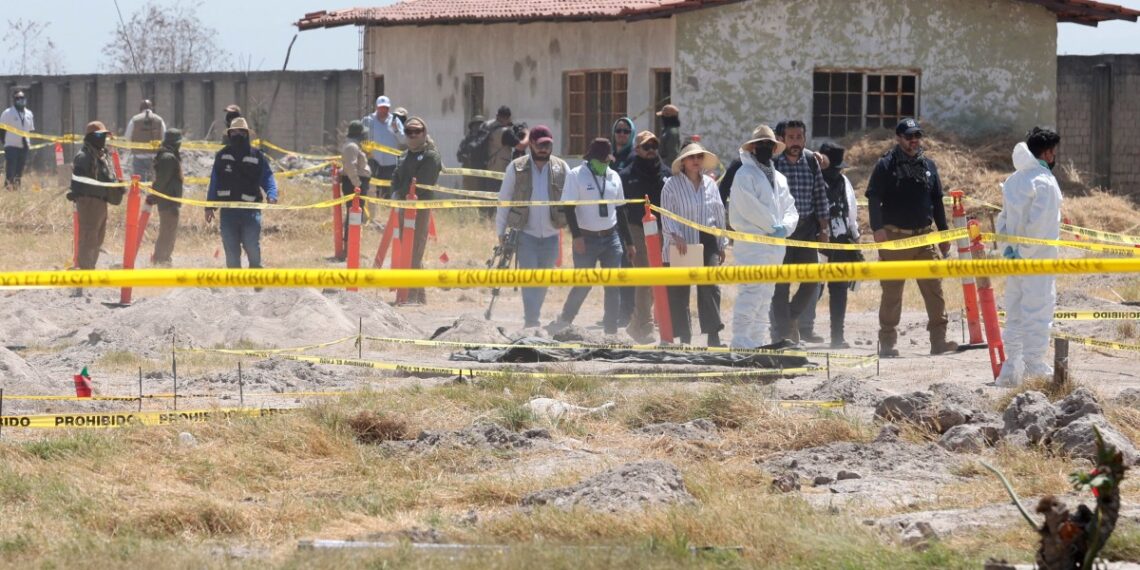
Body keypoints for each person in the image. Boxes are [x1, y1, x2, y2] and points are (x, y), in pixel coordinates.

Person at [866, 118, 957, 357]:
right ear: (899, 138)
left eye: (917, 136)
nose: (913, 141)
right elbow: (873, 198)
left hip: (924, 238)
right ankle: (887, 344)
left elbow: (937, 201)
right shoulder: (886, 165)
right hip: (895, 237)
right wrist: (877, 228)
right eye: (908, 136)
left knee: (934, 290)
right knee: (892, 292)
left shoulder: (928, 165)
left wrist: (944, 232)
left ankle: (939, 341)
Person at [995, 128, 1063, 387]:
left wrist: (1009, 251)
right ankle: (1034, 368)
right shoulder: (1044, 182)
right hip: (1038, 261)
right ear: (1046, 152)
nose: (1054, 156)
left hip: (1014, 261)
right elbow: (1041, 228)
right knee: (1037, 310)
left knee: (1014, 312)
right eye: (1053, 151)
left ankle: (1011, 368)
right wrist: (1025, 253)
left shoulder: (1015, 179)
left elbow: (1003, 221)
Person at [550, 138, 634, 335]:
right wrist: (577, 237)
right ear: (591, 159)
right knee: (584, 283)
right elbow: (569, 209)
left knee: (612, 285)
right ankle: (565, 319)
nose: (605, 164)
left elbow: (621, 211)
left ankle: (611, 330)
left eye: (607, 160)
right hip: (586, 238)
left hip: (611, 238)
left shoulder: (614, 176)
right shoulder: (576, 175)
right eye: (602, 160)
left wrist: (629, 242)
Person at [730, 125, 798, 349]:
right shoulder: (744, 175)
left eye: (769, 144)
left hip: (776, 246)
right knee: (751, 292)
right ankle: (740, 341)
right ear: (753, 147)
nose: (765, 148)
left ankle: (758, 340)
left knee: (766, 295)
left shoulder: (780, 178)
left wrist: (784, 228)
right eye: (761, 144)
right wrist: (772, 226)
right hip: (752, 246)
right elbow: (749, 208)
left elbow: (790, 208)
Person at [495, 125, 568, 328]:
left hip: (552, 235)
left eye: (548, 144)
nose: (544, 148)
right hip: (526, 234)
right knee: (529, 279)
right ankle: (531, 321)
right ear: (532, 145)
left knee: (543, 280)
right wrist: (500, 231)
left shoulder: (561, 167)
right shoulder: (516, 167)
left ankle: (533, 316)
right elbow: (504, 199)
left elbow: (573, 200)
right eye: (541, 144)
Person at [661, 142, 727, 347]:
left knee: (710, 287)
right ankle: (684, 338)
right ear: (683, 161)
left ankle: (713, 335)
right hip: (681, 241)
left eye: (699, 157)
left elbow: (718, 213)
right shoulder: (671, 184)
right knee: (679, 290)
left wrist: (722, 242)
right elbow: (666, 214)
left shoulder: (710, 184)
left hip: (707, 239)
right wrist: (675, 236)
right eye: (691, 157)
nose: (696, 161)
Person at [771, 119, 829, 345]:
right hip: (782, 232)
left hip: (806, 230)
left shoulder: (810, 161)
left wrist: (824, 229)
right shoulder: (774, 163)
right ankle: (783, 334)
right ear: (782, 139)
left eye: (799, 137)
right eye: (791, 137)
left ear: (805, 139)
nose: (795, 142)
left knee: (812, 279)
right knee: (781, 284)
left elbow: (820, 196)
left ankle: (791, 317)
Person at [618, 131, 671, 342]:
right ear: (637, 149)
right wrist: (627, 240)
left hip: (661, 228)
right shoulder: (626, 175)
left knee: (657, 278)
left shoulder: (667, 174)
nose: (651, 151)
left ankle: (635, 323)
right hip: (637, 228)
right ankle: (646, 325)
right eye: (646, 147)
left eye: (654, 146)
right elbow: (621, 211)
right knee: (645, 277)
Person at [205, 118, 278, 269]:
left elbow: (268, 177)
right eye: (234, 132)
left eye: (240, 132)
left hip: (250, 211)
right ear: (230, 134)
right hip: (228, 211)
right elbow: (214, 181)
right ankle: (235, 283)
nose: (237, 134)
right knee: (231, 248)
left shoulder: (257, 156)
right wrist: (209, 206)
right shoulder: (222, 156)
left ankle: (255, 273)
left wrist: (272, 194)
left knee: (251, 244)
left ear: (246, 134)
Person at [389, 117, 442, 305]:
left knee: (414, 251)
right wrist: (396, 191)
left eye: (416, 131)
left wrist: (402, 191)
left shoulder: (431, 156)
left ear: (424, 132)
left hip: (419, 208)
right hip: (404, 206)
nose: (412, 135)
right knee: (407, 249)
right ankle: (419, 296)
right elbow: (396, 175)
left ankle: (410, 295)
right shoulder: (405, 154)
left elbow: (423, 183)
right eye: (409, 131)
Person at [817, 142, 861, 349]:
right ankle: (801, 330)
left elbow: (851, 211)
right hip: (817, 242)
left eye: (838, 168)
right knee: (811, 289)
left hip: (842, 241)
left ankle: (837, 336)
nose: (836, 172)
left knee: (839, 290)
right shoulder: (814, 180)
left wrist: (855, 236)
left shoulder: (844, 181)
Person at [67, 121, 122, 272]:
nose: (103, 139)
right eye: (99, 135)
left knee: (98, 238)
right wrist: (74, 191)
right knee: (88, 237)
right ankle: (84, 270)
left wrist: (116, 187)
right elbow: (76, 178)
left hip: (100, 202)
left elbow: (103, 178)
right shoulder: (84, 156)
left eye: (104, 135)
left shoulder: (100, 156)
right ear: (91, 137)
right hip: (89, 202)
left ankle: (90, 267)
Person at [148, 129, 184, 266]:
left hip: (170, 200)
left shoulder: (168, 156)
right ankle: (160, 260)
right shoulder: (168, 158)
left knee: (169, 231)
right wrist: (154, 195)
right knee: (167, 232)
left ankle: (164, 258)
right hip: (168, 201)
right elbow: (162, 180)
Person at [341, 120, 373, 250]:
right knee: (354, 215)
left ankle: (352, 246)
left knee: (356, 215)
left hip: (356, 184)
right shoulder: (351, 147)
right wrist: (357, 184)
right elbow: (350, 167)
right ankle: (350, 246)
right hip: (354, 184)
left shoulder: (355, 145)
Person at [481, 106, 527, 192]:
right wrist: (527, 133)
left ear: (497, 115)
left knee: (490, 198)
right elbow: (521, 146)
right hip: (499, 171)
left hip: (487, 167)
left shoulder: (488, 126)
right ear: (509, 118)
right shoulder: (505, 132)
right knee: (499, 197)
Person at [362, 95, 405, 186]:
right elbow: (359, 138)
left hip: (391, 164)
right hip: (373, 161)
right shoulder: (368, 120)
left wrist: (396, 130)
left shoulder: (395, 121)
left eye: (385, 108)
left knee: (388, 191)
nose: (383, 110)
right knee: (372, 190)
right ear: (377, 107)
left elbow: (403, 140)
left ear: (389, 108)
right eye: (381, 107)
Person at [123, 99, 166, 182]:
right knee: (154, 183)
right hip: (155, 156)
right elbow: (164, 137)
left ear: (140, 108)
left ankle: (142, 194)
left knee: (140, 183)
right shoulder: (159, 120)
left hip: (139, 156)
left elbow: (127, 137)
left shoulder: (134, 119)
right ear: (151, 108)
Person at [1, 90, 34, 189]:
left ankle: (16, 187)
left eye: (22, 98)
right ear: (14, 100)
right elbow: (2, 130)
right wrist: (5, 142)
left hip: (24, 146)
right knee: (11, 167)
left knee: (20, 168)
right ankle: (8, 187)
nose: (21, 100)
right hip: (11, 145)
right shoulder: (7, 113)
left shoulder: (29, 114)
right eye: (18, 98)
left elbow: (30, 130)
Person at [457, 114, 487, 192]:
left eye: (480, 124)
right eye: (476, 125)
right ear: (472, 126)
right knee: (469, 192)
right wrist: (465, 157)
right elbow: (459, 155)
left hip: (482, 171)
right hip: (469, 171)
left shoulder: (486, 139)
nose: (478, 127)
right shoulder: (466, 140)